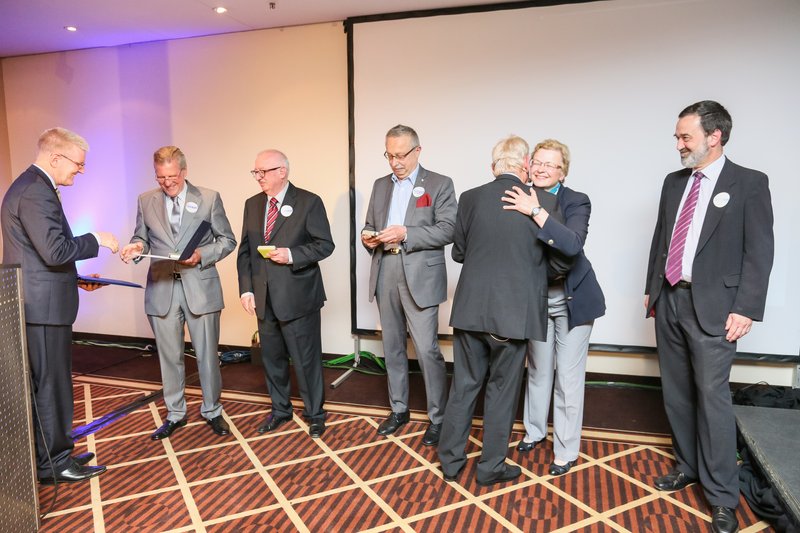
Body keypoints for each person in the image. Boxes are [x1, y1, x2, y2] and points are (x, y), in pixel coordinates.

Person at [644, 101, 774, 533]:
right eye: (678, 137)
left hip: (717, 309)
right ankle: (688, 466)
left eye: (686, 137)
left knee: (712, 398)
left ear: (714, 136)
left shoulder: (749, 183)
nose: (679, 144)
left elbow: (759, 251)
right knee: (677, 393)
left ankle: (721, 496)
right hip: (670, 300)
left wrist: (746, 307)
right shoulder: (673, 182)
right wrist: (652, 289)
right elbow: (662, 238)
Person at [1, 127, 119, 484]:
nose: (80, 171)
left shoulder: (32, 186)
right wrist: (97, 239)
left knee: (52, 385)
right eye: (78, 164)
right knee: (51, 387)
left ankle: (58, 453)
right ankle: (54, 463)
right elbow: (55, 251)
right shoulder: (36, 192)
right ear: (55, 157)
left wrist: (76, 277)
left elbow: (41, 256)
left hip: (42, 304)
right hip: (43, 310)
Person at [437, 135, 554, 486]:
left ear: (493, 167)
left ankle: (450, 462)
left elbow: (459, 253)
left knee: (463, 386)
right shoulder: (543, 201)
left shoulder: (470, 197)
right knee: (502, 392)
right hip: (513, 314)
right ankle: (490, 468)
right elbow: (558, 259)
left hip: (470, 309)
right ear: (525, 165)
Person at [501, 139, 605, 476]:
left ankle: (566, 449)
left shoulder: (576, 200)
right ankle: (534, 431)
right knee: (538, 370)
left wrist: (535, 211)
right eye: (538, 162)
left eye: (551, 164)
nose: (542, 169)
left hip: (574, 298)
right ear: (528, 164)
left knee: (568, 379)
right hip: (537, 298)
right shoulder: (517, 194)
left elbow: (572, 244)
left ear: (563, 172)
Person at [120, 146, 236, 440]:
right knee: (169, 357)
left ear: (184, 171)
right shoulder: (145, 200)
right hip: (162, 290)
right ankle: (175, 414)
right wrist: (136, 247)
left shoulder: (209, 198)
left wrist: (201, 255)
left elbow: (227, 240)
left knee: (207, 356)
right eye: (161, 177)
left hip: (200, 288)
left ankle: (212, 410)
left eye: (172, 176)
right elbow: (142, 237)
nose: (167, 182)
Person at [361, 124, 456, 446]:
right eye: (390, 155)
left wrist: (407, 233)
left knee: (427, 349)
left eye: (401, 155)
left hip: (420, 275)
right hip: (385, 268)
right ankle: (399, 409)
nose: (395, 162)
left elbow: (448, 229)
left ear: (418, 151)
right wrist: (367, 236)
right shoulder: (380, 185)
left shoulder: (440, 183)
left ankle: (439, 418)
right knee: (392, 347)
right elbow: (370, 224)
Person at [237, 149, 334, 439]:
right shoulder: (252, 204)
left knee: (306, 360)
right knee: (272, 359)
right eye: (255, 172)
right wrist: (246, 289)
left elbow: (325, 244)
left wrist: (291, 255)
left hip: (298, 297)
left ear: (282, 171)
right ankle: (280, 410)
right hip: (264, 297)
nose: (258, 177)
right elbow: (245, 251)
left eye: (263, 172)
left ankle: (315, 414)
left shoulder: (309, 202)